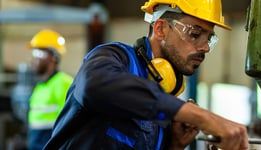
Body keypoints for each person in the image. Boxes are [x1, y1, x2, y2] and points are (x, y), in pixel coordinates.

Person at [43, 0, 249, 150]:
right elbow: (94, 87)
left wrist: (174, 145)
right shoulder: (114, 58)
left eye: (209, 39)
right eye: (194, 34)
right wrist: (202, 117)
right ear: (160, 29)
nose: (204, 47)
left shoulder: (166, 97)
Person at [27, 29, 73, 150]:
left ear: (53, 56)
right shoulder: (40, 86)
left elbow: (70, 122)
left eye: (39, 53)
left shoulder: (63, 83)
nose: (33, 59)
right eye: (33, 53)